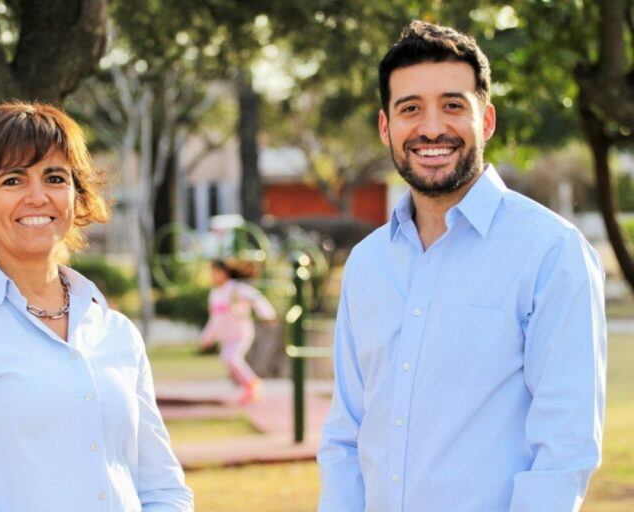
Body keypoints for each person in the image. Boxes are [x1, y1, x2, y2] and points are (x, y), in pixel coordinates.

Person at [317, 21, 606, 512]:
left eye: (453, 105)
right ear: (386, 127)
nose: (431, 128)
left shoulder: (551, 252)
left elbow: (564, 449)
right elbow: (347, 434)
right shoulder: (367, 264)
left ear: (486, 121)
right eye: (410, 109)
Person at [0, 101, 193, 512]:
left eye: (55, 177)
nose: (38, 197)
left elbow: (163, 488)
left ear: (76, 197)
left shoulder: (117, 332)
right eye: (13, 180)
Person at [199, 259, 276, 403]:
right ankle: (249, 389)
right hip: (226, 336)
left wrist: (267, 315)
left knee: (232, 359)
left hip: (241, 334)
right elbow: (214, 319)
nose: (213, 276)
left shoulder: (237, 288)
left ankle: (253, 384)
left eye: (216, 273)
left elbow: (256, 298)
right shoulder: (215, 294)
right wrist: (206, 338)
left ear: (225, 273)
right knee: (227, 359)